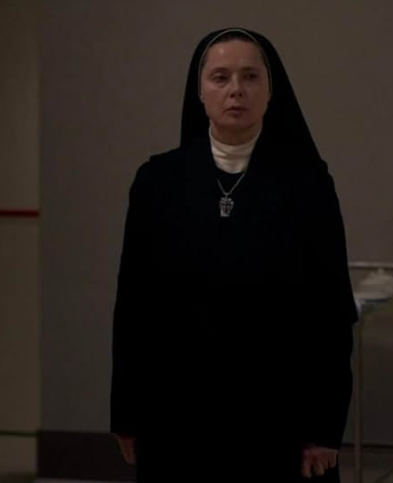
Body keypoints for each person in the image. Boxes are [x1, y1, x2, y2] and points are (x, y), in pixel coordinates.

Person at [109, 27, 358, 482]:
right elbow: (134, 304)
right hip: (176, 411)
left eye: (250, 77)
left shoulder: (307, 183)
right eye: (220, 77)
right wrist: (126, 411)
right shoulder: (158, 181)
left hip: (276, 414)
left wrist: (324, 427)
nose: (236, 90)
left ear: (270, 91)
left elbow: (330, 311)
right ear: (200, 91)